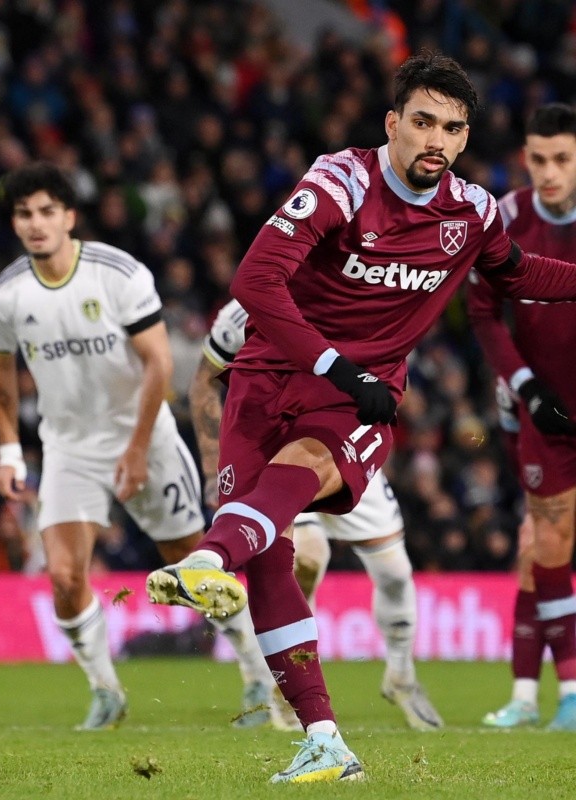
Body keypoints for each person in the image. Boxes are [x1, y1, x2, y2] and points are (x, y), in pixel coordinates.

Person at [145, 50, 576, 784]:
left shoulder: (470, 212)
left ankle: (208, 559)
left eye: (452, 127)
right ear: (392, 124)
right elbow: (257, 278)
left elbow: (515, 274)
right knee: (273, 555)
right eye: (421, 122)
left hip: (361, 397)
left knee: (297, 481)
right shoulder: (341, 180)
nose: (435, 140)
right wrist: (329, 364)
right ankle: (324, 740)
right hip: (270, 373)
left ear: (466, 138)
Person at [0, 162, 274, 731]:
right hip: (67, 446)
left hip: (147, 435)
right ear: (15, 223)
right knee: (64, 577)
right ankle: (105, 690)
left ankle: (256, 670)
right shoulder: (7, 295)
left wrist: (137, 449)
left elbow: (158, 364)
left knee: (194, 568)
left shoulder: (118, 274)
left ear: (69, 217)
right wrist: (11, 453)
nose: (36, 224)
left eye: (46, 212)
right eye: (24, 214)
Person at [190, 297, 443, 732]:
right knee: (305, 558)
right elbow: (203, 384)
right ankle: (289, 681)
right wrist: (215, 461)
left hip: (340, 441)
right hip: (280, 451)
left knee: (396, 573)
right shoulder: (242, 312)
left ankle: (401, 675)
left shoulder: (366, 296)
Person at [467, 103, 576, 731]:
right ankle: (555, 695)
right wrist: (528, 387)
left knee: (538, 550)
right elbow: (483, 314)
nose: (549, 172)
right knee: (539, 549)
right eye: (538, 159)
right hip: (542, 414)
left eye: (562, 159)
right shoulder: (508, 218)